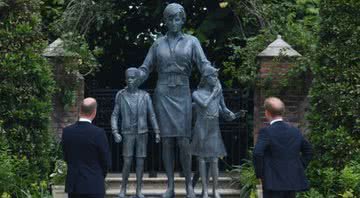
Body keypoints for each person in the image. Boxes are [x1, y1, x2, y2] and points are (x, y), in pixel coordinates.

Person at [137, 3, 213, 198]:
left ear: (183, 20)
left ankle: (188, 185)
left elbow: (203, 64)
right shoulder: (157, 44)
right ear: (165, 20)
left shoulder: (192, 41)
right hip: (163, 93)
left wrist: (210, 74)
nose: (173, 22)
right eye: (170, 18)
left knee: (184, 141)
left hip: (182, 92)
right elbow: (146, 68)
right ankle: (170, 186)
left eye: (177, 18)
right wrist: (137, 75)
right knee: (167, 141)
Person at [111, 68, 161, 198]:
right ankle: (123, 189)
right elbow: (115, 115)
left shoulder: (145, 96)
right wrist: (115, 131)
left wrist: (156, 131)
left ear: (138, 80)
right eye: (128, 78)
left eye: (133, 78)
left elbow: (152, 115)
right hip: (128, 133)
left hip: (142, 132)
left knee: (140, 163)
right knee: (127, 162)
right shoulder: (121, 95)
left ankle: (139, 190)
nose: (130, 80)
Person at [190, 67, 237, 198]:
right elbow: (204, 104)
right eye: (213, 77)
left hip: (213, 126)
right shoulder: (196, 93)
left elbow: (223, 109)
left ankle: (215, 190)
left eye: (216, 77)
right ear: (206, 78)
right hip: (201, 126)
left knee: (214, 159)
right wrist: (213, 94)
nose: (216, 79)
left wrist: (231, 114)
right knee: (202, 159)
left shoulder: (218, 93)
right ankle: (205, 190)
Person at [253, 97, 313, 198]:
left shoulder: (266, 132)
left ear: (267, 113)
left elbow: (257, 153)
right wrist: (299, 166)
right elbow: (309, 151)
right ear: (283, 112)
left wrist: (260, 174)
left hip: (272, 182)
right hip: (291, 181)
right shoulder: (295, 131)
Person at [62, 97, 111, 198]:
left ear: (80, 110)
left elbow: (66, 157)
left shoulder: (67, 132)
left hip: (74, 185)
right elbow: (106, 161)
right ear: (94, 112)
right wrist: (99, 176)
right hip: (94, 185)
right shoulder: (98, 133)